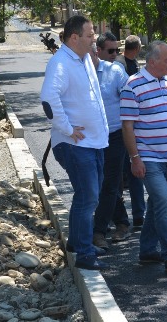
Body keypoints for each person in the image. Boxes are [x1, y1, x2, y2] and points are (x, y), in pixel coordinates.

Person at [40, 15, 109, 270]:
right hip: (75, 144)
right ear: (74, 37)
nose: (94, 39)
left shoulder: (84, 60)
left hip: (93, 142)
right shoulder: (60, 63)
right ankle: (84, 253)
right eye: (90, 35)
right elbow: (48, 98)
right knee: (88, 195)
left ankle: (76, 241)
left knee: (90, 193)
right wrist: (68, 129)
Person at [120, 40, 167, 272]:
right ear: (152, 61)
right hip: (147, 155)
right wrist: (134, 158)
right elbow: (127, 126)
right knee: (164, 201)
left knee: (157, 202)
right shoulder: (133, 85)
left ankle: (147, 250)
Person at [90, 35, 130, 248]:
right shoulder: (81, 72)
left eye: (117, 50)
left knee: (108, 183)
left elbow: (130, 102)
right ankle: (122, 222)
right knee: (102, 183)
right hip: (90, 138)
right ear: (97, 49)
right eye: (111, 51)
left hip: (114, 137)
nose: (115, 55)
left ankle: (99, 231)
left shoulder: (115, 72)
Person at [115, 34, 146, 229]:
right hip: (122, 127)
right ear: (137, 48)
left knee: (134, 174)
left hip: (129, 125)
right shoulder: (121, 67)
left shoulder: (132, 64)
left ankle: (137, 215)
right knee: (120, 174)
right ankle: (120, 217)